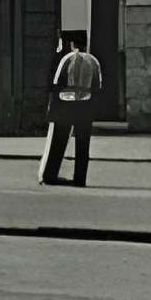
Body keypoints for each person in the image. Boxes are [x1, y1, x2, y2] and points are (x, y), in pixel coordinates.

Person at [40, 28, 105, 187]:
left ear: (72, 44)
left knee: (58, 142)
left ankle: (50, 175)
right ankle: (79, 178)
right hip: (86, 105)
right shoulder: (93, 61)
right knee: (83, 145)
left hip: (64, 105)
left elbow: (56, 83)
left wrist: (52, 108)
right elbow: (98, 85)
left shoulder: (67, 59)